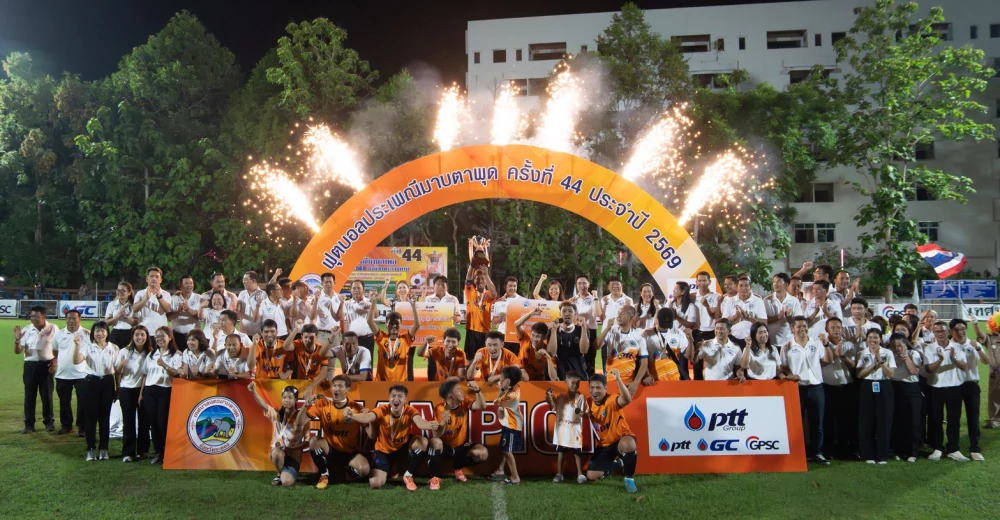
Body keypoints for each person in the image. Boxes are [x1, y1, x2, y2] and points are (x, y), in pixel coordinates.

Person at [350, 385, 441, 490]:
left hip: (402, 448)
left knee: (423, 442)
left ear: (405, 399)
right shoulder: (382, 409)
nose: (396, 399)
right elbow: (368, 417)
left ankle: (408, 475)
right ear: (389, 398)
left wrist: (430, 425)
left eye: (400, 396)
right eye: (393, 396)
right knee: (375, 484)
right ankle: (388, 469)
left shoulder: (409, 410)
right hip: (384, 450)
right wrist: (353, 416)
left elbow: (420, 422)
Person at [295, 375, 370, 489]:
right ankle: (324, 475)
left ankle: (339, 474)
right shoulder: (322, 404)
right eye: (334, 386)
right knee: (314, 441)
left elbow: (370, 434)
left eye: (340, 386)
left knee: (364, 469)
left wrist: (367, 417)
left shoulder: (356, 407)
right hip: (330, 450)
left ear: (347, 389)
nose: (336, 389)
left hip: (349, 453)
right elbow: (299, 423)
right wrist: (305, 406)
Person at [781, 316, 832, 465]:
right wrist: (790, 375)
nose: (802, 329)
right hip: (797, 388)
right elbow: (783, 367)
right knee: (797, 423)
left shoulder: (816, 343)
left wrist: (826, 344)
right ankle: (797, 454)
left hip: (816, 387)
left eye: (804, 326)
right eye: (799, 327)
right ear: (793, 328)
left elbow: (827, 360)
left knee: (817, 423)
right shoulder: (787, 346)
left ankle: (817, 453)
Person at [584, 369, 639, 493]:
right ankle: (619, 463)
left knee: (629, 444)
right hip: (604, 445)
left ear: (605, 388)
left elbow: (627, 400)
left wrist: (618, 379)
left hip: (620, 438)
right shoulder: (588, 403)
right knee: (591, 476)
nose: (594, 391)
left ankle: (629, 479)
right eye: (592, 388)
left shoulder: (611, 399)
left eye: (598, 387)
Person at [923, 320, 969, 462]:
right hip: (936, 388)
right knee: (936, 420)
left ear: (948, 332)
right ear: (933, 333)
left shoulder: (957, 347)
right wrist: (940, 360)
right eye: (937, 331)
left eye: (943, 331)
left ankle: (954, 449)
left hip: (955, 388)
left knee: (954, 420)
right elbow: (928, 369)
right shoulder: (929, 348)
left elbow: (964, 366)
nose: (940, 334)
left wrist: (953, 359)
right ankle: (937, 448)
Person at [74, 321, 118, 461]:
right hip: (91, 383)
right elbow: (76, 361)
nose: (100, 334)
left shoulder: (114, 348)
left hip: (107, 382)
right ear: (93, 333)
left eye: (103, 331)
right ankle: (91, 449)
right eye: (97, 331)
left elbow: (117, 370)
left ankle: (104, 449)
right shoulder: (87, 347)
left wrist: (117, 388)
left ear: (107, 333)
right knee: (90, 418)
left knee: (105, 418)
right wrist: (77, 345)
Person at [247, 382, 306, 487]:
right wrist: (253, 392)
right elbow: (264, 406)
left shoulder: (301, 417)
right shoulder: (278, 415)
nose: (286, 400)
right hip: (279, 452)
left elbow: (307, 441)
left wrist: (291, 449)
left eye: (290, 398)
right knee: (277, 452)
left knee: (286, 482)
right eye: (284, 397)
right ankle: (279, 473)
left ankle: (287, 473)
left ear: (296, 400)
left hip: (294, 457)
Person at [429, 379, 488, 483]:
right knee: (435, 442)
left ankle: (458, 468)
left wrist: (478, 390)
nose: (462, 392)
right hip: (445, 447)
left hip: (460, 446)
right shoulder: (440, 409)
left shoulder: (464, 402)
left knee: (483, 453)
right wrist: (443, 423)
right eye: (458, 390)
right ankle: (434, 477)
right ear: (451, 396)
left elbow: (482, 405)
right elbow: (436, 434)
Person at [141, 326, 182, 464]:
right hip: (150, 391)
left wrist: (164, 365)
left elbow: (176, 374)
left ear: (170, 338)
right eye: (157, 336)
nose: (159, 339)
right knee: (153, 423)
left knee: (162, 422)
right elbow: (145, 374)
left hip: (165, 390)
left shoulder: (176, 355)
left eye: (162, 336)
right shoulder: (151, 355)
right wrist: (141, 394)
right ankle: (159, 452)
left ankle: (168, 451)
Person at [819, 317, 858, 460]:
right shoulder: (821, 345)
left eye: (838, 327)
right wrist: (834, 355)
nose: (836, 330)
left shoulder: (849, 345)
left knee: (846, 419)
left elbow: (854, 366)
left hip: (846, 387)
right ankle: (828, 450)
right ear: (827, 330)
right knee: (828, 420)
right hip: (828, 387)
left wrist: (843, 356)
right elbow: (820, 364)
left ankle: (845, 449)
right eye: (833, 328)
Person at [855, 328, 895, 464]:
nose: (873, 340)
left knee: (884, 420)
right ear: (866, 339)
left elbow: (891, 374)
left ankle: (882, 455)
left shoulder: (887, 353)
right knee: (867, 420)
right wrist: (873, 364)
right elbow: (859, 374)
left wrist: (881, 363)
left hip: (884, 385)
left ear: (881, 339)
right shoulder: (862, 353)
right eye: (870, 337)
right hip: (867, 386)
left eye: (876, 337)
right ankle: (868, 455)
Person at [14, 306, 57, 434]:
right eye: (32, 316)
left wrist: (56, 360)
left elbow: (59, 346)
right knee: (29, 396)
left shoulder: (53, 328)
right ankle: (29, 425)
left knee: (47, 395)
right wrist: (17, 341)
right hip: (30, 366)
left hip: (47, 366)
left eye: (36, 316)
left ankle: (49, 423)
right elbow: (18, 351)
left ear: (44, 316)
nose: (33, 319)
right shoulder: (26, 330)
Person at [950, 318, 987, 461]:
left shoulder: (973, 344)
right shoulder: (948, 346)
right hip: (954, 385)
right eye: (957, 329)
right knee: (954, 419)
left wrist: (978, 347)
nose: (961, 331)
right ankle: (953, 448)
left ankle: (975, 449)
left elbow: (986, 361)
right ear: (951, 331)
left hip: (971, 384)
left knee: (973, 418)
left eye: (963, 328)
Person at [116, 326, 152, 462]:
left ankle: (143, 451)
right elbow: (117, 371)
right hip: (127, 389)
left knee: (144, 421)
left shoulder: (151, 353)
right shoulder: (124, 351)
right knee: (128, 421)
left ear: (147, 337)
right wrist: (121, 365)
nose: (139, 337)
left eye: (142, 334)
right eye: (137, 334)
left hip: (144, 390)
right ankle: (128, 453)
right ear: (132, 336)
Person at [598, 306, 651, 395]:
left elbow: (644, 363)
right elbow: (596, 346)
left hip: (628, 384)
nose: (618, 316)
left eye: (622, 314)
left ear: (631, 317)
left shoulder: (639, 338)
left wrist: (636, 382)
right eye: (618, 313)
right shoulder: (610, 332)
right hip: (610, 383)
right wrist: (607, 328)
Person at [546, 371, 587, 484]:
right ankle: (559, 473)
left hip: (575, 430)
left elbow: (587, 414)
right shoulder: (561, 397)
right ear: (566, 382)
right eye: (572, 383)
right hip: (563, 430)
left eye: (577, 383)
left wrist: (582, 413)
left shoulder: (582, 398)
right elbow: (552, 407)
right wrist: (549, 396)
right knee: (561, 452)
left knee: (577, 452)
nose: (575, 385)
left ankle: (580, 474)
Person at [53, 309, 89, 436]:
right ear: (65, 319)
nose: (71, 321)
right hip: (62, 374)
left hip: (82, 374)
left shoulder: (87, 334)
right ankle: (66, 425)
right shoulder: (59, 334)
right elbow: (55, 351)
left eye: (74, 318)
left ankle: (82, 427)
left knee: (83, 402)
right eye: (69, 318)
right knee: (64, 402)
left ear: (80, 319)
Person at [487, 366, 525, 485]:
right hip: (509, 422)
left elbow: (495, 402)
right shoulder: (515, 386)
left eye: (502, 376)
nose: (500, 378)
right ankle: (500, 470)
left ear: (507, 381)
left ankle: (515, 478)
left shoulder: (511, 395)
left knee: (507, 450)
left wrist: (502, 389)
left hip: (512, 424)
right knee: (505, 447)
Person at [889, 333, 923, 462]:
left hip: (911, 388)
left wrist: (905, 357)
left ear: (905, 344)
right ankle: (899, 450)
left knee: (913, 420)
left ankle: (913, 451)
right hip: (895, 387)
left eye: (900, 345)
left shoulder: (913, 354)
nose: (897, 348)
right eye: (894, 346)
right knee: (898, 420)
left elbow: (913, 371)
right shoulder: (890, 355)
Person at [374, 294, 419, 382]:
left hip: (400, 382)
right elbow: (369, 321)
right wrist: (373, 302)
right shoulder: (382, 337)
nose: (394, 326)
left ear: (401, 325)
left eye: (397, 323)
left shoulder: (405, 339)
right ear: (386, 325)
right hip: (382, 382)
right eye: (391, 323)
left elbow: (417, 325)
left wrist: (413, 306)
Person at [689, 271, 721, 380]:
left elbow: (716, 317)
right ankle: (698, 386)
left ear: (709, 282)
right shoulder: (692, 297)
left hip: (712, 333)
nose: (702, 283)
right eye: (699, 280)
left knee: (713, 362)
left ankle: (713, 386)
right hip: (697, 333)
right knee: (697, 363)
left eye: (704, 280)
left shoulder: (716, 297)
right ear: (696, 282)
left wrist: (707, 305)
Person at [643, 308, 689, 382]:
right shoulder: (646, 334)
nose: (666, 327)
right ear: (657, 319)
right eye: (663, 323)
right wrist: (646, 376)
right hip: (653, 381)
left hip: (674, 380)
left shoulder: (678, 333)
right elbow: (642, 359)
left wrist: (691, 341)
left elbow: (687, 356)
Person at [720, 275, 766, 348]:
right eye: (741, 286)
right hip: (733, 339)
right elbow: (723, 322)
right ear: (737, 287)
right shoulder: (730, 301)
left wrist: (748, 317)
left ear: (750, 288)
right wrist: (735, 317)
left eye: (746, 285)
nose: (744, 288)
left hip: (753, 339)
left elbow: (764, 322)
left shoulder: (758, 301)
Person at [548, 301, 590, 380]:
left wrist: (584, 327)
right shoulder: (553, 331)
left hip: (580, 375)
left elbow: (584, 350)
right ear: (560, 314)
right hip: (562, 376)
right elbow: (551, 353)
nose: (567, 314)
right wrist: (554, 330)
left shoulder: (581, 330)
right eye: (564, 311)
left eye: (570, 311)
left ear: (575, 315)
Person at [514, 310, 558, 381]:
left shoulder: (548, 351)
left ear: (545, 337)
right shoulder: (525, 340)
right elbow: (516, 324)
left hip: (538, 382)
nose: (534, 339)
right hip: (521, 380)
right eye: (533, 335)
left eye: (538, 336)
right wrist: (531, 313)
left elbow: (554, 378)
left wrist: (548, 358)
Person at [463, 266, 496, 359]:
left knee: (485, 360)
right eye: (477, 278)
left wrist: (486, 274)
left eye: (483, 278)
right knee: (469, 359)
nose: (480, 281)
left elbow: (494, 294)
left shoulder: (488, 294)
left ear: (486, 281)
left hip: (485, 332)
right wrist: (472, 265)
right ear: (474, 280)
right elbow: (468, 278)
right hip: (471, 330)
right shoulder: (470, 291)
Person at [572, 275, 601, 375]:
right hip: (577, 330)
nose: (581, 285)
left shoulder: (594, 299)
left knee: (590, 359)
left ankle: (590, 380)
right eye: (579, 283)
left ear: (588, 284)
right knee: (576, 357)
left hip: (590, 330)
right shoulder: (574, 300)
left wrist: (595, 297)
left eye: (584, 283)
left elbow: (597, 314)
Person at [765, 273, 801, 348]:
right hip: (771, 342)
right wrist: (778, 317)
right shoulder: (767, 300)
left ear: (786, 284)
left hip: (788, 341)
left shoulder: (794, 301)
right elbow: (763, 321)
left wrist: (789, 318)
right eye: (774, 282)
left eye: (778, 282)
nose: (775, 284)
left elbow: (798, 322)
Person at [132, 266, 171, 332]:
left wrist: (159, 297)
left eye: (157, 277)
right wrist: (146, 299)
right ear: (147, 279)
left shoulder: (166, 294)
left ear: (160, 280)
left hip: (161, 331)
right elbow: (134, 309)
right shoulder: (140, 293)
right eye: (151, 276)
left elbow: (167, 309)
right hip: (144, 331)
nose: (154, 279)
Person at [310, 272, 343, 348]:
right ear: (322, 284)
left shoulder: (339, 297)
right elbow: (312, 317)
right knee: (321, 355)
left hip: (336, 335)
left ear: (334, 283)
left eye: (330, 282)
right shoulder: (317, 297)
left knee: (334, 355)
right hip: (322, 334)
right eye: (326, 282)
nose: (328, 284)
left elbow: (341, 318)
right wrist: (316, 300)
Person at [343, 282, 377, 356]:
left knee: (367, 361)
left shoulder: (369, 302)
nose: (356, 290)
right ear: (351, 290)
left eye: (358, 288)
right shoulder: (346, 304)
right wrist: (344, 338)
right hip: (351, 340)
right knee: (351, 362)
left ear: (363, 290)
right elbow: (344, 322)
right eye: (354, 288)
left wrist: (373, 301)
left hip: (367, 339)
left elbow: (376, 315)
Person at [492, 276, 524, 355]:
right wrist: (500, 318)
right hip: (503, 334)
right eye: (510, 286)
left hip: (516, 334)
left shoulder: (522, 301)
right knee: (503, 357)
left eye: (514, 286)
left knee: (516, 358)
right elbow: (494, 321)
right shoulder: (499, 302)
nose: (512, 288)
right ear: (505, 287)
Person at [168, 275, 201, 350]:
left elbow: (199, 317)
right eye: (186, 283)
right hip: (177, 335)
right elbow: (168, 317)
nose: (189, 285)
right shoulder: (174, 298)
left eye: (191, 283)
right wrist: (178, 312)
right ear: (180, 286)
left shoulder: (198, 298)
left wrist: (188, 309)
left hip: (194, 335)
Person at [105, 281, 136, 348]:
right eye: (118, 290)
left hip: (130, 334)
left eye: (123, 291)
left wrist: (126, 318)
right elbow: (106, 323)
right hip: (115, 334)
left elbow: (137, 322)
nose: (120, 292)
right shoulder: (112, 304)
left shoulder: (134, 305)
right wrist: (116, 317)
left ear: (129, 292)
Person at [237, 271, 267, 337]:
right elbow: (240, 314)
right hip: (244, 333)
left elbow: (263, 315)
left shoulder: (262, 294)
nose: (243, 282)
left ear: (253, 281)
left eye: (246, 279)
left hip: (258, 334)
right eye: (243, 279)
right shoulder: (242, 294)